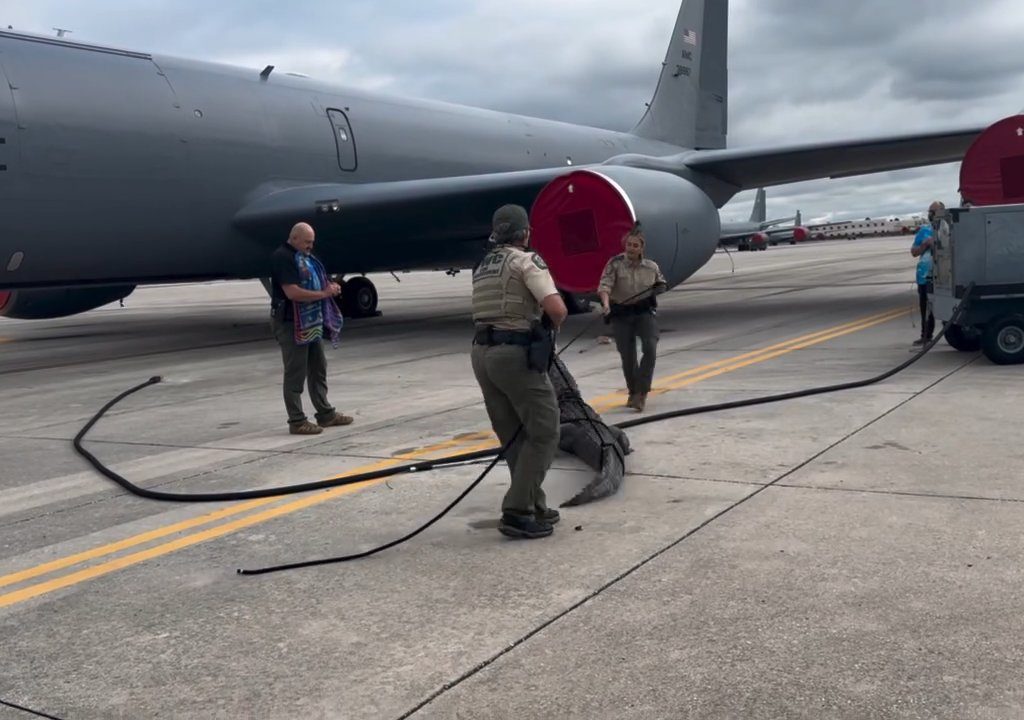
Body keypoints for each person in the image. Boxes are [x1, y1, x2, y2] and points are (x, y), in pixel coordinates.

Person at [471, 204, 568, 540]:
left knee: (513, 433)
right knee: (545, 430)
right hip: (513, 354)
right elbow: (557, 309)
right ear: (525, 232)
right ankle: (517, 510)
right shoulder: (526, 260)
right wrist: (546, 330)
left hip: (481, 354)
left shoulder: (484, 265)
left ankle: (534, 502)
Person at [269, 222, 354, 435]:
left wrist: (329, 287)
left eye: (312, 242)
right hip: (290, 322)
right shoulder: (283, 257)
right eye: (307, 242)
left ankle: (325, 414)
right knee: (295, 372)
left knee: (318, 367)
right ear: (294, 238)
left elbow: (314, 283)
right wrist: (324, 294)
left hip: (309, 321)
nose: (310, 246)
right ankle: (297, 421)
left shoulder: (305, 258)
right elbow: (293, 293)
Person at [597, 225, 667, 411]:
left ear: (641, 248)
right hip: (622, 314)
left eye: (635, 245)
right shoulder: (615, 264)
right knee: (628, 356)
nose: (631, 248)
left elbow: (661, 284)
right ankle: (632, 391)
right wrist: (605, 304)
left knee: (650, 348)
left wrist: (657, 289)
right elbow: (604, 287)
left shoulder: (651, 267)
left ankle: (641, 392)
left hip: (644, 313)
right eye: (628, 244)